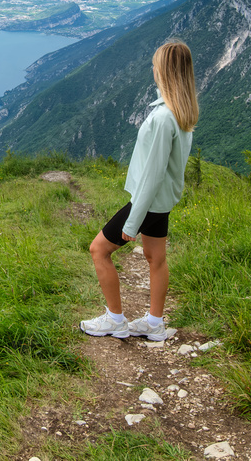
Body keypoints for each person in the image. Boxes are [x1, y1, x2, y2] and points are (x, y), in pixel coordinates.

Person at [79, 38, 198, 341]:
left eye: (155, 65)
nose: (152, 69)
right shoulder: (180, 114)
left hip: (147, 202)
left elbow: (153, 174)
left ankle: (115, 320)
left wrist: (133, 220)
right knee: (156, 258)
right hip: (162, 203)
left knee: (98, 250)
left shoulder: (161, 118)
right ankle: (155, 324)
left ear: (165, 72)